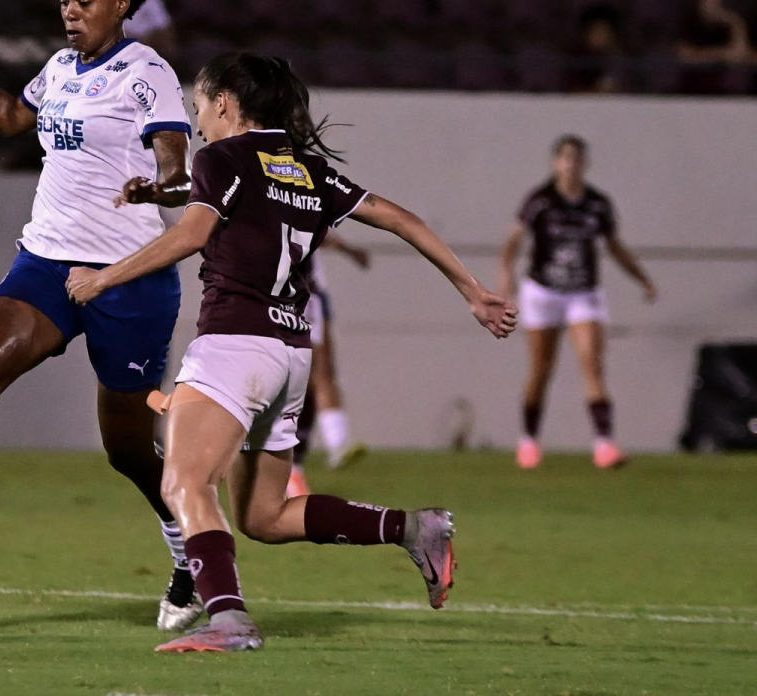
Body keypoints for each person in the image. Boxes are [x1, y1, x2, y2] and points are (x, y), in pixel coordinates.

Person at [66, 52, 517, 651]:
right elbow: (397, 217)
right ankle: (415, 528)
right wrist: (472, 289)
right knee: (264, 516)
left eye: (199, 105)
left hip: (235, 344)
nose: (198, 120)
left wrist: (102, 278)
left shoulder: (221, 156)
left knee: (183, 484)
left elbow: (196, 234)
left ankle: (227, 621)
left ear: (226, 100)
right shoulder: (306, 169)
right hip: (291, 354)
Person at [0, 0, 204, 632]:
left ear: (121, 2)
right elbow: (13, 117)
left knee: (127, 448)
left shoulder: (147, 71)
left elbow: (175, 161)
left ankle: (193, 556)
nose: (70, 8)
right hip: (44, 261)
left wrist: (159, 190)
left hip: (129, 275)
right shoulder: (60, 68)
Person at [497, 134, 657, 470]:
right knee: (541, 369)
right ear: (556, 163)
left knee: (592, 364)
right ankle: (528, 440)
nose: (571, 164)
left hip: (583, 291)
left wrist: (641, 278)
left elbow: (614, 246)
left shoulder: (597, 203)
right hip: (543, 291)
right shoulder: (540, 200)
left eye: (577, 158)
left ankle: (604, 444)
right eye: (565, 158)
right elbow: (511, 243)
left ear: (585, 164)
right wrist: (505, 279)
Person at [286, 236, 371, 499]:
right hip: (298, 293)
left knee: (311, 377)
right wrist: (351, 250)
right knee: (316, 373)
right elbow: (315, 228)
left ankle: (297, 465)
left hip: (297, 293)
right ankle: (335, 443)